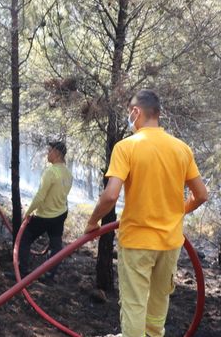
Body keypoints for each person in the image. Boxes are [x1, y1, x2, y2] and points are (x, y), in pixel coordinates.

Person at [84, 90, 208, 337]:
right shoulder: (181, 149)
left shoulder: (126, 147)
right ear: (158, 114)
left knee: (134, 304)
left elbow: (110, 196)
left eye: (130, 112)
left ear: (136, 112)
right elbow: (202, 195)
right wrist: (175, 212)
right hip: (171, 243)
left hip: (137, 241)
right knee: (159, 302)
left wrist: (92, 222)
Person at [18, 141, 73, 282]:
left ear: (56, 152)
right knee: (56, 246)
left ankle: (22, 273)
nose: (47, 154)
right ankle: (49, 277)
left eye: (49, 151)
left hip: (45, 216)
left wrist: (28, 212)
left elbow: (40, 196)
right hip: (60, 215)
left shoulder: (50, 171)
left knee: (24, 239)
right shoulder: (68, 173)